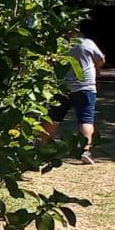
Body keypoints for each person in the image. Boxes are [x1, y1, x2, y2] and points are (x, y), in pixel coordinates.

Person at [46, 27, 106, 163]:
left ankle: (44, 146)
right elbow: (101, 59)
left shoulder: (59, 45)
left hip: (62, 87)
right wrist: (96, 68)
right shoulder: (87, 43)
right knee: (86, 119)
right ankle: (85, 151)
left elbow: (49, 61)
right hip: (85, 87)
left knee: (53, 117)